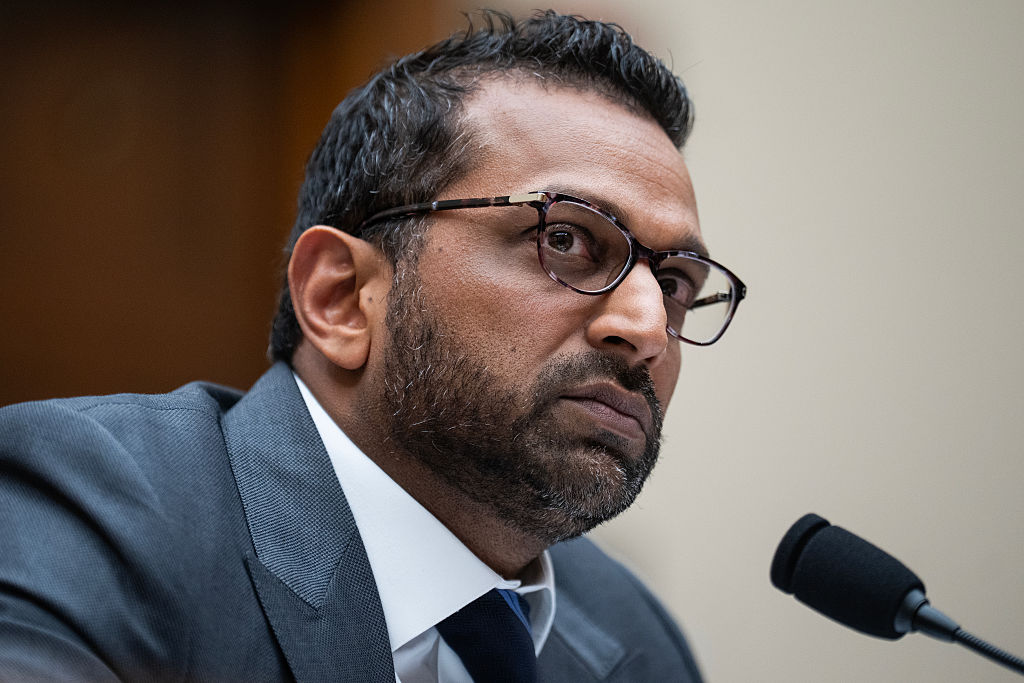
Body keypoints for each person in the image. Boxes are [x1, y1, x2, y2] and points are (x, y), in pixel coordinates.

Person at [0, 10, 744, 682]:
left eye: (674, 282)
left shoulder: (635, 638)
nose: (648, 327)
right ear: (342, 297)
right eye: (567, 239)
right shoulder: (96, 511)